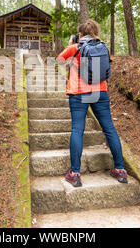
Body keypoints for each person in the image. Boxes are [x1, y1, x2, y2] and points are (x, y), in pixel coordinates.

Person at [57, 19, 127, 187]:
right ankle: (120, 169)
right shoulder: (102, 46)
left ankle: (75, 173)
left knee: (77, 130)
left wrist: (70, 45)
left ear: (80, 34)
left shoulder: (76, 47)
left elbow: (59, 60)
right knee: (109, 129)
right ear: (96, 32)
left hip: (79, 92)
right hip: (99, 92)